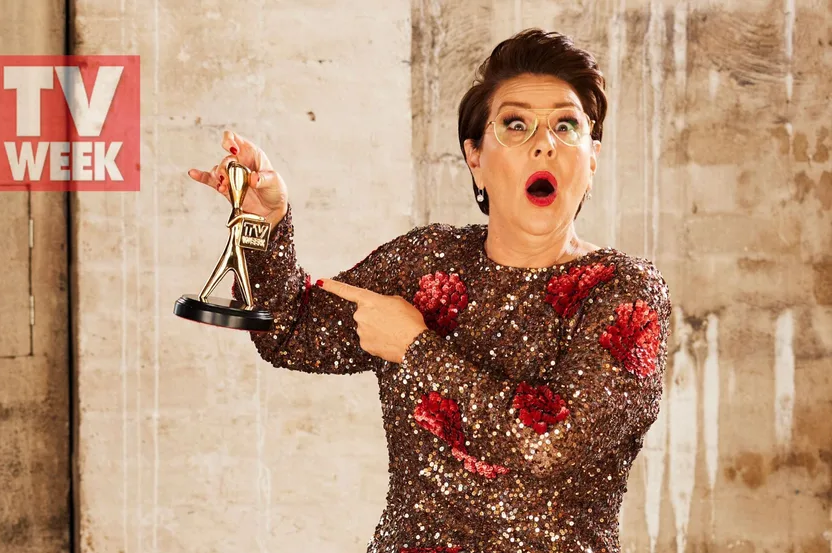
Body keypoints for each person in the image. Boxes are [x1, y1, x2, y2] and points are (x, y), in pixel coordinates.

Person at [188, 28, 672, 553]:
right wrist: (265, 224)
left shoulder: (626, 290)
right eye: (515, 124)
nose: (544, 143)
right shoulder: (424, 262)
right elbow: (293, 334)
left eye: (565, 125)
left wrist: (416, 349)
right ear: (476, 159)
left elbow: (551, 443)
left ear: (592, 158)